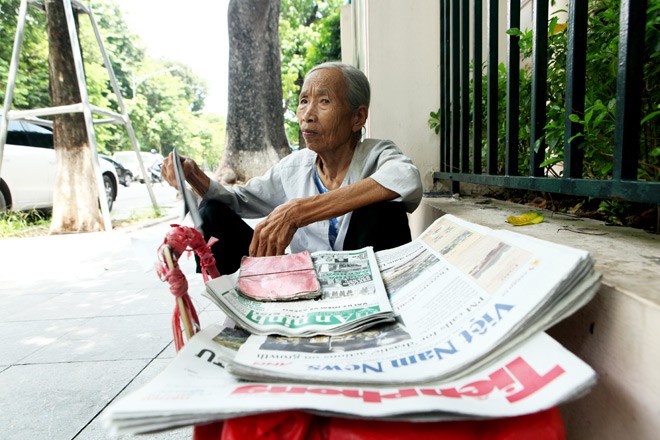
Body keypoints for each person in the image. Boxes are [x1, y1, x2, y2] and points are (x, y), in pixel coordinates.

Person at [162, 62, 423, 274]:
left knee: (384, 207)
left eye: (324, 102)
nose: (308, 114)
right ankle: (238, 300)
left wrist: (299, 211)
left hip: (365, 277)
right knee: (212, 212)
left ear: (358, 117)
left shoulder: (376, 154)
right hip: (306, 281)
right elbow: (238, 201)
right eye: (303, 101)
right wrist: (194, 175)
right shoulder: (294, 167)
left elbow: (406, 177)